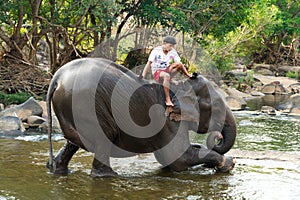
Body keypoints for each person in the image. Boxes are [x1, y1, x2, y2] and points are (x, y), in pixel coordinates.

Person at [142, 36, 192, 107]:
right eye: (170, 45)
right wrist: (142, 76)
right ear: (164, 43)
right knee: (166, 75)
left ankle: (187, 75)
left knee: (179, 65)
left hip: (166, 70)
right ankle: (167, 99)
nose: (171, 48)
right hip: (157, 71)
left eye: (172, 46)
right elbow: (149, 63)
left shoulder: (172, 51)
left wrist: (186, 73)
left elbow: (179, 63)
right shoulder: (156, 50)